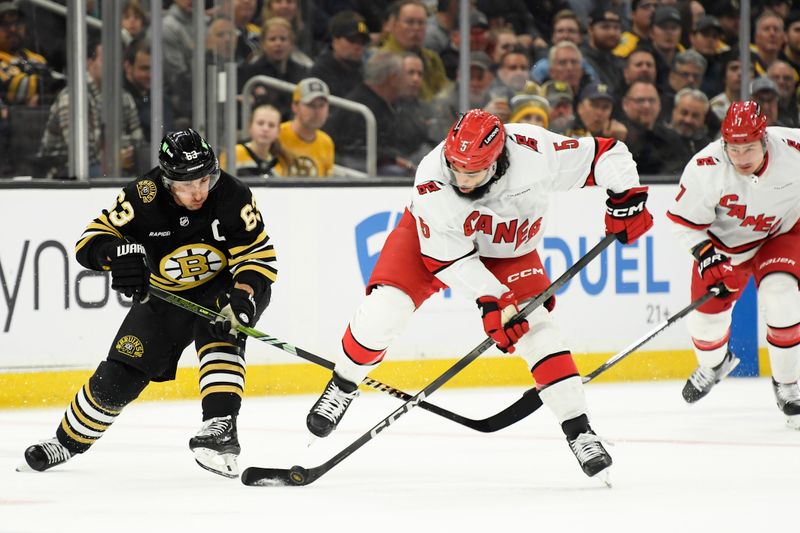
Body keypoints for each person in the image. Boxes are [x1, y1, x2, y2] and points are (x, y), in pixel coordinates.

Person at [305, 109, 654, 481]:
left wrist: (626, 198)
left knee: (539, 330)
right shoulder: (432, 179)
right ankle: (343, 383)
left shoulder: (536, 151)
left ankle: (579, 430)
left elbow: (607, 154)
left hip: (510, 252)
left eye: (472, 172)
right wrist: (491, 300)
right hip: (434, 246)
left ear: (498, 158)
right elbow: (449, 261)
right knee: (383, 311)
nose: (462, 179)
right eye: (456, 168)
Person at [20, 129, 277, 476]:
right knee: (117, 378)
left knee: (219, 329)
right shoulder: (143, 196)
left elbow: (257, 256)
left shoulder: (232, 194)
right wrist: (116, 253)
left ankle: (220, 427)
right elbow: (89, 241)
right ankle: (66, 442)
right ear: (167, 180)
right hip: (165, 296)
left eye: (204, 179)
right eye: (187, 185)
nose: (199, 191)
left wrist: (244, 298)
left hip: (225, 288)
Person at [666, 101, 800, 429]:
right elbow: (684, 224)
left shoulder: (793, 149)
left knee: (780, 295)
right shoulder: (705, 167)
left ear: (765, 140)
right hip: (725, 250)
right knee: (704, 327)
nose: (740, 158)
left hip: (780, 235)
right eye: (733, 148)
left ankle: (788, 384)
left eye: (749, 148)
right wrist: (705, 254)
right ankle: (714, 365)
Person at [279, 77, 334, 176]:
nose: (317, 111)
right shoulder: (276, 135)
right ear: (295, 106)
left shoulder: (326, 143)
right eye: (310, 105)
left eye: (322, 105)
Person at [222, 101, 293, 177]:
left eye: (271, 125)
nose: (265, 129)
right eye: (260, 123)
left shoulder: (282, 163)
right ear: (250, 126)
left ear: (278, 131)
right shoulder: (233, 154)